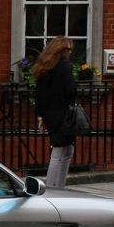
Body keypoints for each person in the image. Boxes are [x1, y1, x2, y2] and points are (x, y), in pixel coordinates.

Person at [33, 36, 77, 188]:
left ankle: (58, 186)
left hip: (49, 114)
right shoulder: (65, 67)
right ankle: (52, 188)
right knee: (59, 151)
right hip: (64, 115)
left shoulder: (43, 67)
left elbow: (38, 94)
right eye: (67, 49)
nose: (70, 52)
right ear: (60, 50)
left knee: (66, 148)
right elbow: (70, 91)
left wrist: (40, 116)